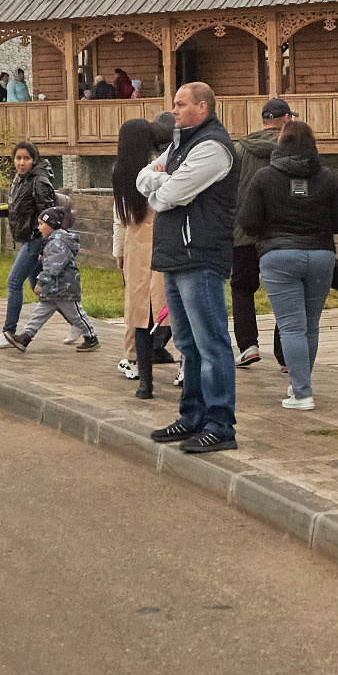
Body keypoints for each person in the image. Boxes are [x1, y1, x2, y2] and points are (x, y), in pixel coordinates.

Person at [139, 81, 242, 453]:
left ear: (203, 107)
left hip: (200, 256)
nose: (175, 110)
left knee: (212, 343)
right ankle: (193, 416)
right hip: (174, 256)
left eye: (182, 104)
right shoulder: (179, 144)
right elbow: (142, 179)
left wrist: (162, 183)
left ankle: (221, 424)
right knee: (187, 344)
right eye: (174, 104)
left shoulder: (212, 147)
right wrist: (164, 181)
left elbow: (167, 197)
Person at [238, 117, 338, 412]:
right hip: (321, 256)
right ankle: (301, 383)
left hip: (279, 257)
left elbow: (247, 222)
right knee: (310, 325)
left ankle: (301, 393)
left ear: (281, 144)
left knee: (290, 327)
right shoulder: (327, 178)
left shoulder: (264, 178)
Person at [227, 96, 290, 371]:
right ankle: (286, 355)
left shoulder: (240, 149)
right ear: (286, 119)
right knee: (287, 291)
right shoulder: (293, 148)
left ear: (265, 120)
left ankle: (248, 346)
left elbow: (228, 191)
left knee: (242, 288)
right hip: (281, 233)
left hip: (243, 232)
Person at [113, 117, 165, 399]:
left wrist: (118, 251)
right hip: (161, 240)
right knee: (170, 309)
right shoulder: (157, 165)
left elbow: (118, 218)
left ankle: (145, 382)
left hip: (134, 245)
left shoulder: (120, 172)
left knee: (140, 314)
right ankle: (184, 370)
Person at [0, 143, 56, 347]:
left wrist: (45, 247)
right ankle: (81, 325)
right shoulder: (20, 180)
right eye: (18, 158)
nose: (21, 162)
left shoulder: (39, 181)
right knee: (42, 289)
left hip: (36, 240)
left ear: (34, 160)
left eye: (26, 158)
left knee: (14, 282)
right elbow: (19, 208)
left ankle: (8, 332)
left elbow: (49, 216)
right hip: (28, 239)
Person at [7, 201, 96, 352]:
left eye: (41, 224)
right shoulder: (52, 242)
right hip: (53, 289)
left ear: (52, 224)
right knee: (38, 314)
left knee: (76, 316)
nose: (38, 227)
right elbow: (52, 261)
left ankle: (91, 337)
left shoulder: (58, 243)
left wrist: (40, 281)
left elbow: (54, 267)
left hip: (64, 290)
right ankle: (25, 338)